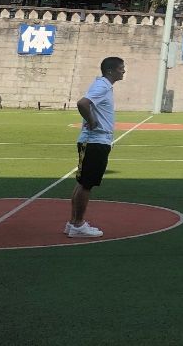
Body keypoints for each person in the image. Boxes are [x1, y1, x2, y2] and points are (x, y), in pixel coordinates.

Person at [66, 57, 126, 238]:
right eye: (121, 68)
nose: (123, 71)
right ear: (110, 70)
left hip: (96, 141)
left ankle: (73, 222)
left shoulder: (103, 86)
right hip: (95, 141)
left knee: (83, 183)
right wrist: (92, 121)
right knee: (86, 184)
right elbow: (82, 103)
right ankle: (78, 224)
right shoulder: (102, 86)